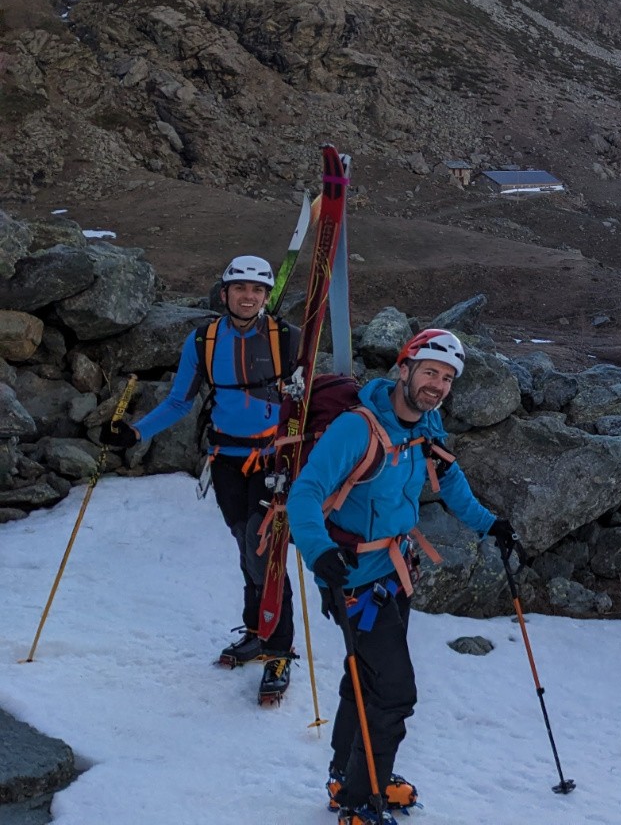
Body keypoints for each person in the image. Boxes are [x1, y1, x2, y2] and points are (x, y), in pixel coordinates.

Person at [286, 328, 517, 825]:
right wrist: (319, 552)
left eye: (447, 377)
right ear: (404, 369)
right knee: (393, 692)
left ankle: (348, 777)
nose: (438, 384)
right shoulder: (357, 428)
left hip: (394, 574)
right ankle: (360, 801)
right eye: (430, 371)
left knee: (366, 679)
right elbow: (304, 493)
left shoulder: (426, 425)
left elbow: (450, 480)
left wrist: (489, 524)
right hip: (350, 578)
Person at [101, 254, 301, 702]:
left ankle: (279, 649)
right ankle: (257, 631)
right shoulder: (203, 339)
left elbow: (309, 400)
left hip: (274, 459)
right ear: (225, 293)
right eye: (240, 288)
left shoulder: (288, 339)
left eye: (258, 290)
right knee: (245, 546)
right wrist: (134, 432)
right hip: (226, 457)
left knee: (263, 550)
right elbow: (178, 402)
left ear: (267, 296)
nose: (249, 297)